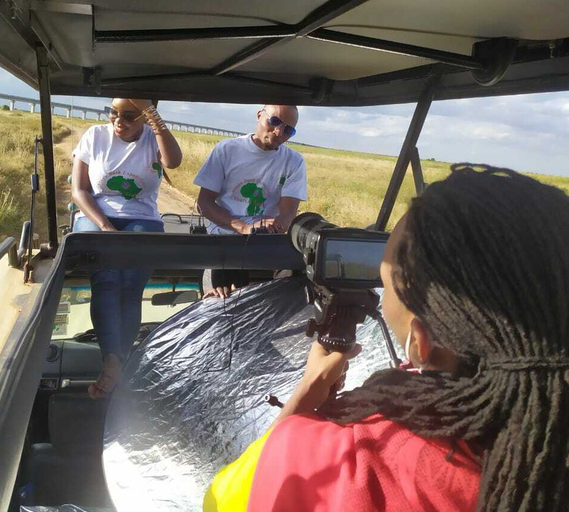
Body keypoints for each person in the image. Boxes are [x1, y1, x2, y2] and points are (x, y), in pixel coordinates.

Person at [204, 164, 569, 511]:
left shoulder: (350, 465)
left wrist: (304, 396)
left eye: (386, 276)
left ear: (420, 343)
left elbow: (223, 499)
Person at [71, 98, 182, 399]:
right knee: (106, 280)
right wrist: (105, 226)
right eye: (114, 113)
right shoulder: (95, 136)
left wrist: (153, 118)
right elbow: (79, 190)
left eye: (130, 116)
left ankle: (116, 363)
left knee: (131, 287)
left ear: (146, 116)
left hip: (142, 218)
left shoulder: (152, 138)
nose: (119, 121)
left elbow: (173, 162)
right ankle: (114, 361)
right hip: (96, 216)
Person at [194, 105, 307, 298]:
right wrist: (243, 227)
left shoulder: (294, 161)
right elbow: (204, 203)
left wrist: (275, 227)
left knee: (294, 288)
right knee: (223, 297)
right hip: (225, 239)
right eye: (275, 121)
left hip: (265, 244)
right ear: (259, 115)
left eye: (288, 129)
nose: (279, 131)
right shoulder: (227, 149)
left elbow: (288, 213)